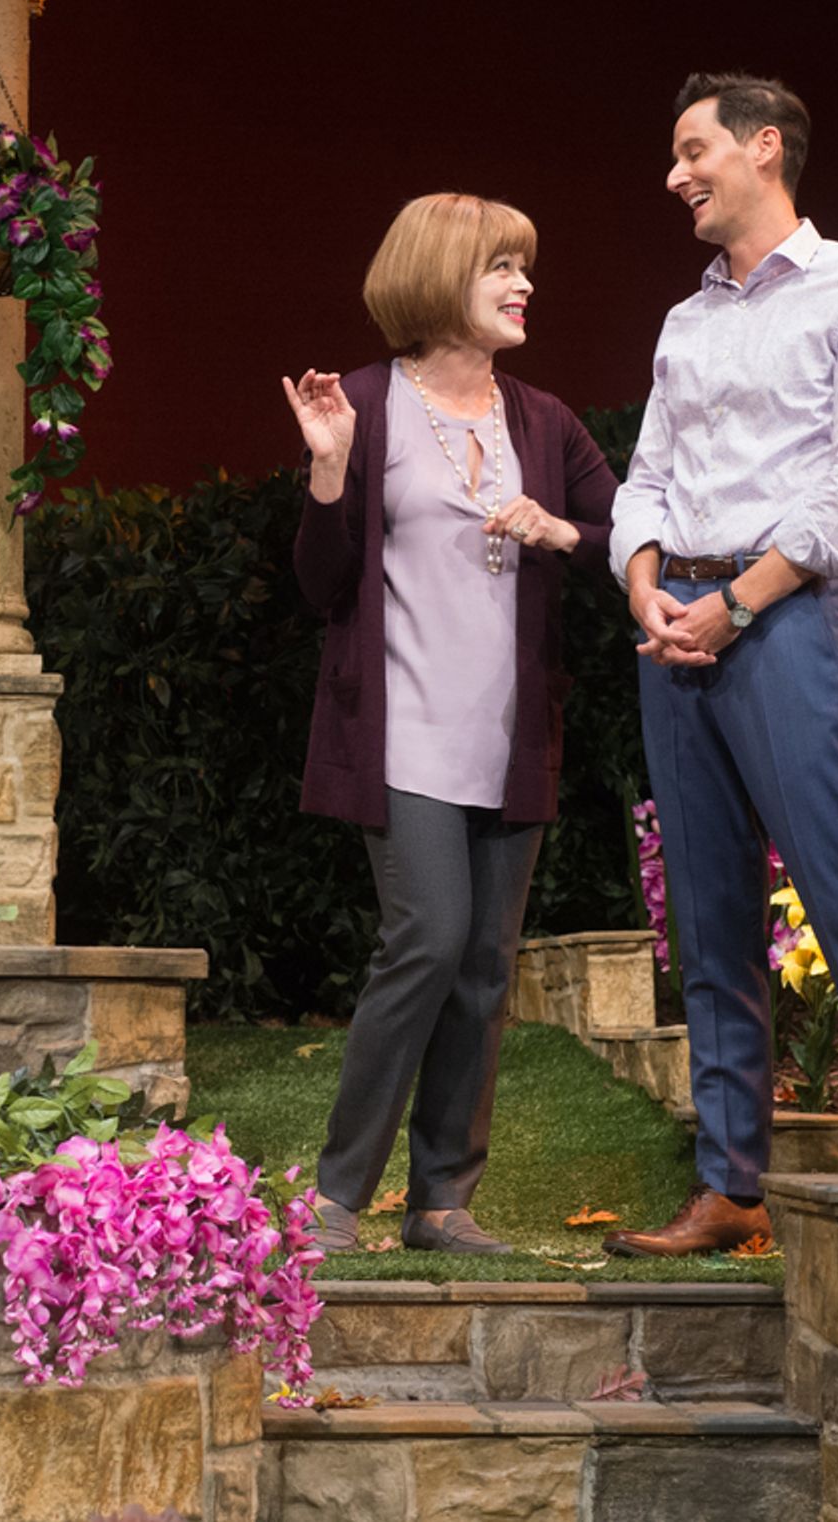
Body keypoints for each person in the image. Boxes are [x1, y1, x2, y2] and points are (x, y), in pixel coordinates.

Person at [604, 72, 838, 1259]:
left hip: (787, 620)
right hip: (676, 625)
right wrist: (646, 581)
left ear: (763, 149)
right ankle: (729, 1183)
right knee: (709, 923)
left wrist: (736, 604)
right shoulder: (686, 320)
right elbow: (643, 471)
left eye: (691, 150)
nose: (675, 176)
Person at [283, 192, 617, 1256]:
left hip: (509, 738)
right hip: (404, 734)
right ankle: (337, 1195)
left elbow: (625, 535)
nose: (525, 287)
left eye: (526, 268)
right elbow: (323, 586)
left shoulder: (544, 421)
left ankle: (441, 1202)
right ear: (437, 280)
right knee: (425, 938)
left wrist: (559, 526)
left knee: (482, 963)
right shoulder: (369, 404)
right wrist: (329, 473)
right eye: (502, 270)